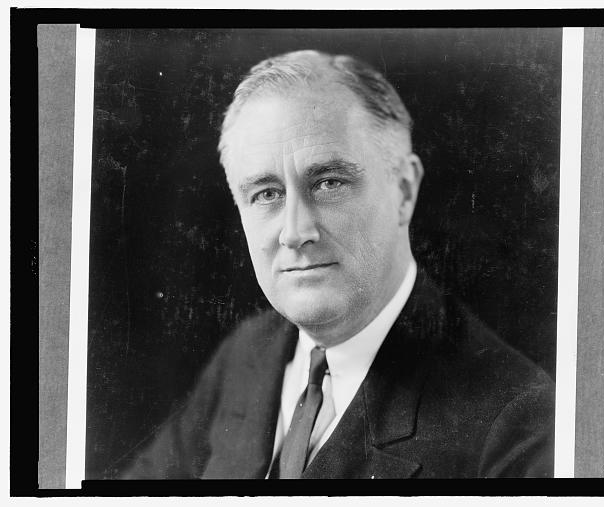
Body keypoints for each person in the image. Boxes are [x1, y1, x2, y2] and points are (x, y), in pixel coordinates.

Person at [122, 50, 555, 479]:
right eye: (266, 194)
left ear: (404, 191)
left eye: (329, 183)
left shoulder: (518, 424)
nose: (295, 232)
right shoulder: (247, 354)